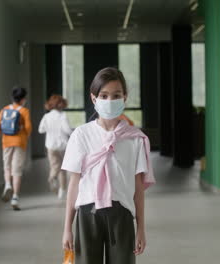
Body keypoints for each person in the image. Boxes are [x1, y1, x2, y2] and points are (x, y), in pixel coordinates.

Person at [61, 67, 155, 264]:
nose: (110, 101)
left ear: (125, 98)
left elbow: (138, 187)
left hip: (122, 214)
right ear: (94, 98)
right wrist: (67, 228)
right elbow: (74, 184)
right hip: (87, 214)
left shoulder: (135, 139)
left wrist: (141, 228)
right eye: (104, 95)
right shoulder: (81, 135)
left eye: (116, 95)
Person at [0, 86, 32, 211]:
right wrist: (24, 134)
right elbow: (28, 127)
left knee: (7, 166)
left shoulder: (5, 109)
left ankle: (7, 184)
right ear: (23, 99)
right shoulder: (24, 111)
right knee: (17, 170)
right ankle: (15, 197)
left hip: (6, 142)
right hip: (20, 143)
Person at [38, 95, 72, 199]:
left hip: (51, 145)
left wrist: (50, 128)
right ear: (61, 104)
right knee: (63, 168)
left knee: (54, 165)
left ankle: (53, 177)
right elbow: (67, 130)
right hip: (62, 145)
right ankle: (62, 191)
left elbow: (41, 130)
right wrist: (73, 133)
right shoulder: (62, 116)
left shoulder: (47, 116)